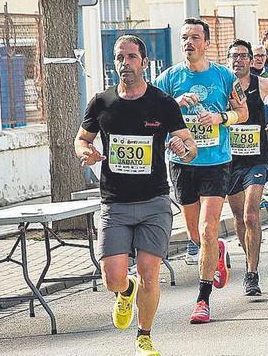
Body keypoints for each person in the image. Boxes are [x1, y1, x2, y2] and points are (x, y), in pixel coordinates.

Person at [76, 35, 197, 356]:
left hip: (154, 202)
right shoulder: (102, 102)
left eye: (131, 57)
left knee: (149, 271)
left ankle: (144, 336)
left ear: (143, 62)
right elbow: (81, 139)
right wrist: (86, 152)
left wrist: (182, 147)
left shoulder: (162, 103)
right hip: (114, 203)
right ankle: (125, 291)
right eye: (119, 58)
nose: (125, 63)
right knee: (112, 277)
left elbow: (189, 146)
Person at [154, 18, 248, 324]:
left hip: (216, 162)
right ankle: (216, 251)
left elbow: (243, 113)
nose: (189, 42)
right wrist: (173, 111)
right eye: (184, 38)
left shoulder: (223, 76)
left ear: (206, 43)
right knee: (197, 235)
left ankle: (203, 300)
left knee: (208, 228)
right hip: (183, 164)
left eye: (195, 37)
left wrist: (221, 117)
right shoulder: (168, 79)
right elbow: (151, 119)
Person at [225, 40, 268, 297]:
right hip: (229, 161)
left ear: (251, 60)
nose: (238, 60)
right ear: (228, 60)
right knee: (238, 217)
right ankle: (250, 257)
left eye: (243, 56)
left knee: (250, 215)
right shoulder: (221, 86)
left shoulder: (263, 84)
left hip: (257, 159)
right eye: (234, 56)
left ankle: (251, 273)